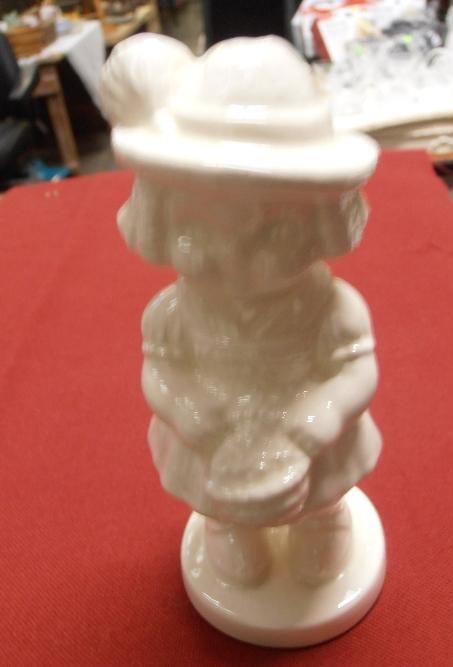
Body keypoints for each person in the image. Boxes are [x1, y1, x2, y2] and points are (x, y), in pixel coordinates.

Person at [101, 33, 381, 586]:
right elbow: (160, 370)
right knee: (217, 496)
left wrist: (320, 415)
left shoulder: (332, 308)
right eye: (201, 235)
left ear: (323, 225)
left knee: (325, 487)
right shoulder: (172, 314)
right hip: (219, 437)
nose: (235, 262)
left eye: (274, 235)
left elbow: (357, 369)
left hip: (310, 437)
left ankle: (323, 520)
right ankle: (227, 526)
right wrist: (187, 409)